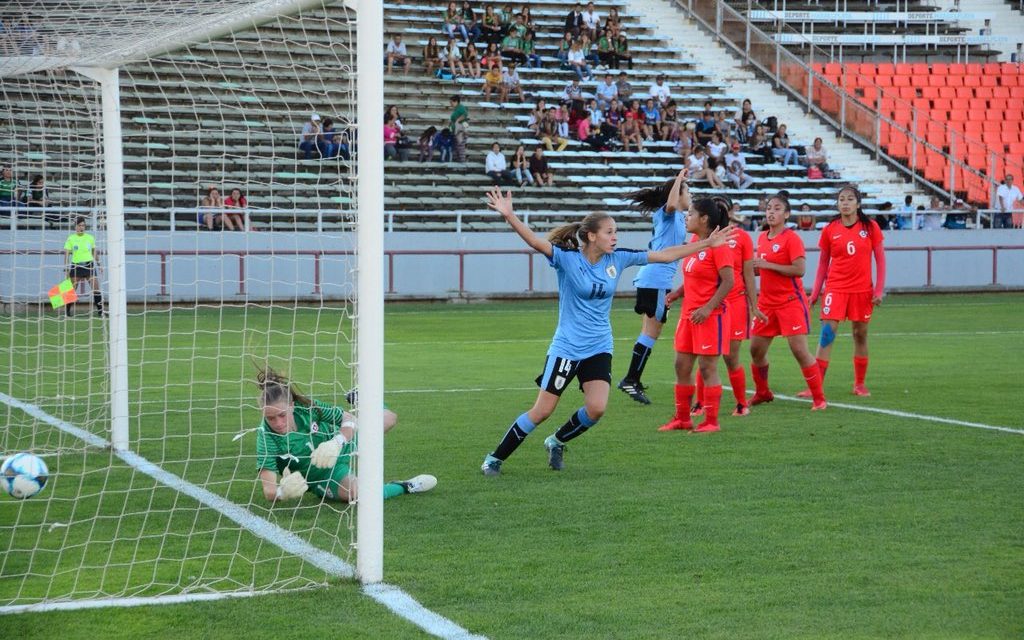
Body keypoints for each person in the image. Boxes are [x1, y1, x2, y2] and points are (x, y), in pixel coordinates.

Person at [479, 187, 737, 476]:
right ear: (591, 236)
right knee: (542, 411)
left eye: (616, 232)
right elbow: (535, 241)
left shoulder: (618, 258)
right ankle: (494, 459)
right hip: (567, 347)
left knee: (597, 408)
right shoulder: (567, 258)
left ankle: (557, 441)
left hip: (599, 346)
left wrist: (707, 244)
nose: (615, 237)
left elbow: (665, 256)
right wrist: (509, 215)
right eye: (610, 232)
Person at [254, 366, 435, 504]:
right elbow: (268, 490)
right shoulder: (266, 437)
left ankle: (362, 399)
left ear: (292, 405)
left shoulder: (307, 407)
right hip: (324, 474)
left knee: (389, 419)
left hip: (340, 442)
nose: (277, 423)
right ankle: (406, 486)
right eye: (270, 418)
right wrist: (282, 492)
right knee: (359, 495)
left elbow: (347, 418)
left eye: (282, 415)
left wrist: (337, 442)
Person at [793, 184, 888, 399]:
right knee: (827, 334)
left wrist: (879, 290)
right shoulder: (830, 229)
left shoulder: (871, 227)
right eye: (841, 199)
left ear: (858, 203)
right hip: (835, 288)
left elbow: (880, 260)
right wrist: (815, 293)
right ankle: (815, 386)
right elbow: (823, 264)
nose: (845, 203)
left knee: (860, 334)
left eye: (849, 199)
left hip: (862, 290)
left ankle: (860, 384)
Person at [656, 197, 736, 433]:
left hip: (710, 316)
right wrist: (677, 294)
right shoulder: (695, 242)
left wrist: (708, 307)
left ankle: (711, 421)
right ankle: (683, 418)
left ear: (704, 219)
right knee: (681, 365)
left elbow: (729, 281)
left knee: (707, 368)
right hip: (689, 315)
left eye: (690, 214)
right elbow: (694, 276)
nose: (686, 217)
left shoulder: (719, 246)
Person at [618, 169, 691, 404]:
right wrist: (680, 178)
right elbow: (670, 205)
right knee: (652, 332)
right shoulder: (667, 213)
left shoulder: (679, 218)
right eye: (688, 192)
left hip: (655, 279)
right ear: (677, 194)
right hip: (656, 279)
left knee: (649, 331)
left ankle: (633, 379)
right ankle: (630, 379)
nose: (691, 196)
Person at [748, 193, 826, 410]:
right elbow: (759, 268)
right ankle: (763, 392)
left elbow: (799, 270)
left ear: (787, 214)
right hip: (766, 304)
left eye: (777, 209)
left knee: (799, 350)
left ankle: (819, 399)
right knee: (755, 350)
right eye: (769, 208)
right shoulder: (763, 237)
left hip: (790, 302)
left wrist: (767, 265)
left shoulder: (792, 238)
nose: (771, 212)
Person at [64, 216, 104, 317]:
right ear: (76, 226)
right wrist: (66, 268)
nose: (82, 227)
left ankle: (101, 312)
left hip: (89, 265)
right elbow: (67, 254)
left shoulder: (90, 238)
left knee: (96, 288)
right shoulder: (71, 238)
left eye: (83, 225)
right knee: (71, 290)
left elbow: (94, 252)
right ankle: (67, 312)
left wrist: (99, 264)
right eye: (80, 225)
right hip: (76, 266)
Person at [448, 95, 469, 163]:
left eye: (451, 102)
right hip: (456, 130)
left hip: (460, 130)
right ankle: (459, 160)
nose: (450, 104)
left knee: (460, 146)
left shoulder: (461, 108)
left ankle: (462, 161)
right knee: (457, 146)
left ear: (456, 101)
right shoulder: (456, 108)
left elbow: (465, 114)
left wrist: (457, 120)